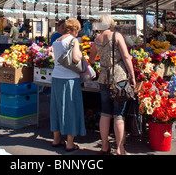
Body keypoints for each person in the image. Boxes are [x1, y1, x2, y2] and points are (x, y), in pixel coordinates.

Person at [89, 14, 136, 155]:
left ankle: (104, 146)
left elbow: (91, 60)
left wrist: (102, 62)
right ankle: (120, 149)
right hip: (119, 78)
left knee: (105, 113)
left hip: (104, 78)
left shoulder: (96, 40)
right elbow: (126, 57)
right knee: (118, 115)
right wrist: (132, 76)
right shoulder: (117, 36)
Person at [50, 18, 86, 152]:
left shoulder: (56, 41)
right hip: (70, 79)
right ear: (75, 30)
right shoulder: (73, 40)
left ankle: (56, 139)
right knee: (70, 109)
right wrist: (82, 54)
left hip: (56, 77)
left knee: (57, 108)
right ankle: (70, 143)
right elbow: (76, 58)